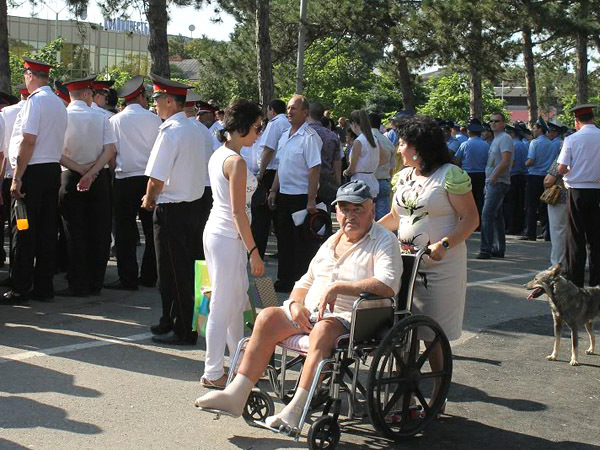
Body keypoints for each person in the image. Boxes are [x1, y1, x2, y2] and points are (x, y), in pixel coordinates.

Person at [195, 180, 401, 430]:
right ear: (336, 212)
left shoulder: (383, 240)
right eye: (344, 209)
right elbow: (305, 281)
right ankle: (236, 395)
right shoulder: (332, 240)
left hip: (353, 317)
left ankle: (296, 409)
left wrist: (339, 288)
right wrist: (294, 304)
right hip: (312, 314)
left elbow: (387, 284)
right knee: (267, 317)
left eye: (358, 209)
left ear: (372, 210)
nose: (350, 215)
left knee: (323, 329)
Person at [378, 116, 478, 409]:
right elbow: (395, 218)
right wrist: (365, 233)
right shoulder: (404, 176)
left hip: (440, 268)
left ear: (418, 147)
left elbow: (471, 219)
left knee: (433, 334)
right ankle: (404, 394)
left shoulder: (450, 175)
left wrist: (444, 244)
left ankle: (438, 392)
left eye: (402, 143)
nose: (398, 149)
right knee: (403, 330)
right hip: (405, 265)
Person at [201, 99, 264, 389]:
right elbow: (239, 212)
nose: (259, 134)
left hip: (223, 234)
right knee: (223, 304)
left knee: (235, 302)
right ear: (243, 127)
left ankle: (238, 364)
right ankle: (213, 371)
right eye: (257, 128)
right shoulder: (234, 160)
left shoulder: (224, 154)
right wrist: (254, 251)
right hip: (228, 236)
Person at [142, 74, 206, 345]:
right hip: (194, 206)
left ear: (169, 101)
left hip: (172, 208)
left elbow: (156, 178)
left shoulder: (170, 131)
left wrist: (149, 199)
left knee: (173, 271)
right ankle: (170, 319)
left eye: (157, 99)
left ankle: (182, 329)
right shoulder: (195, 129)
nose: (155, 104)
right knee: (183, 269)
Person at [3, 58, 68, 303]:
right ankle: (43, 286)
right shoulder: (58, 103)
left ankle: (20, 288)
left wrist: (17, 178)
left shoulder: (35, 102)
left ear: (30, 75)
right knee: (46, 231)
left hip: (31, 174)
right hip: (51, 171)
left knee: (23, 229)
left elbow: (29, 140)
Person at [57, 75, 116, 297]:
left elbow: (56, 151)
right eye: (91, 93)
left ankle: (78, 282)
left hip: (70, 175)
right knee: (99, 229)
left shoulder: (62, 117)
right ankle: (95, 281)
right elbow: (109, 150)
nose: (93, 98)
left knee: (74, 231)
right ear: (85, 93)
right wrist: (91, 172)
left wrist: (80, 170)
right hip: (98, 176)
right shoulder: (101, 117)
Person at [105, 76, 161, 291]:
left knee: (124, 232)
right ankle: (149, 275)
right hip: (149, 179)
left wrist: (114, 172)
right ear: (140, 96)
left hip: (124, 178)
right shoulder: (155, 120)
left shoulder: (115, 120)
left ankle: (127, 278)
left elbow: (112, 153)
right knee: (151, 229)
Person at [267, 95, 322, 293]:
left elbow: (314, 169)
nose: (289, 112)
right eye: (289, 108)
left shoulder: (310, 137)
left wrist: (311, 199)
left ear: (305, 112)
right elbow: (281, 166)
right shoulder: (284, 135)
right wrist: (273, 190)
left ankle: (300, 284)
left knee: (301, 243)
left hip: (301, 197)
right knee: (284, 239)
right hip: (284, 195)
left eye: (294, 108)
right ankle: (285, 279)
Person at [557, 104, 600, 287]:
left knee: (575, 237)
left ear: (576, 121)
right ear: (593, 118)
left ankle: (576, 281)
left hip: (577, 191)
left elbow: (561, 168)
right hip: (597, 190)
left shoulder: (571, 139)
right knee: (596, 238)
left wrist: (573, 171)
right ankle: (597, 282)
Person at [251, 99, 288, 259]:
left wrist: (261, 172)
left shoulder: (275, 123)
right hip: (281, 172)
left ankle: (257, 252)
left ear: (271, 110)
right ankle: (282, 250)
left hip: (271, 172)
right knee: (278, 216)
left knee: (261, 216)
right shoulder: (287, 123)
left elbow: (268, 149)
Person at [183, 90, 215, 261]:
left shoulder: (184, 128)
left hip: (192, 189)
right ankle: (200, 275)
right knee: (199, 239)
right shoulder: (201, 129)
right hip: (205, 187)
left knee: (189, 239)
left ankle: (191, 274)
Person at [477, 112, 513, 259]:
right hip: (493, 181)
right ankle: (498, 248)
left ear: (503, 123)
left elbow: (505, 161)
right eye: (491, 121)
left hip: (498, 182)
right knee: (496, 216)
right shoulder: (496, 139)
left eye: (497, 121)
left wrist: (493, 177)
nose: (493, 124)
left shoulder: (505, 138)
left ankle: (486, 249)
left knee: (487, 215)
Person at [0, 84, 28, 271]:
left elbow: (2, 153)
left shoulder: (6, 113)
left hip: (9, 176)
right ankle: (23, 267)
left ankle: (11, 264)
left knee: (8, 223)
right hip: (30, 175)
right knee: (22, 223)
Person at [520, 117, 554, 241]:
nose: (533, 130)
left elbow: (531, 160)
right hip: (547, 178)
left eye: (534, 128)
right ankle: (546, 233)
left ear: (540, 129)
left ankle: (530, 233)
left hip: (534, 176)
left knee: (531, 206)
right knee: (545, 205)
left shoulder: (534, 143)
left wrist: (524, 164)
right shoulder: (551, 143)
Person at [307, 102, 342, 208]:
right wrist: (338, 183)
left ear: (307, 113)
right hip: (327, 182)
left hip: (305, 182)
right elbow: (337, 162)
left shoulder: (302, 133)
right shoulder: (332, 136)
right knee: (325, 214)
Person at [454, 118, 489, 224]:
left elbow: (457, 160)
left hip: (467, 175)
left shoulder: (464, 144)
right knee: (480, 199)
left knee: (467, 200)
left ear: (469, 131)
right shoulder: (486, 145)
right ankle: (479, 222)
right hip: (482, 174)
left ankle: (469, 222)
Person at [343, 109, 380, 198]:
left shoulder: (359, 141)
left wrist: (345, 172)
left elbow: (352, 169)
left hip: (359, 183)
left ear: (354, 124)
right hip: (372, 180)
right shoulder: (374, 139)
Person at [503, 124, 528, 235]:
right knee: (520, 203)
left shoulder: (512, 145)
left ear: (512, 134)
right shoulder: (523, 144)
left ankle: (511, 227)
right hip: (522, 176)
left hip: (512, 176)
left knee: (510, 204)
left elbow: (510, 162)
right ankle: (520, 226)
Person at [369, 112, 395, 220]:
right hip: (384, 180)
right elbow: (392, 166)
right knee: (383, 219)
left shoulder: (363, 140)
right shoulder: (388, 142)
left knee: (366, 218)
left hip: (368, 181)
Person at [544, 157, 568, 268]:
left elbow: (549, 180)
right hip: (578, 196)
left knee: (558, 231)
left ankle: (558, 263)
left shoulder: (564, 155)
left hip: (560, 198)